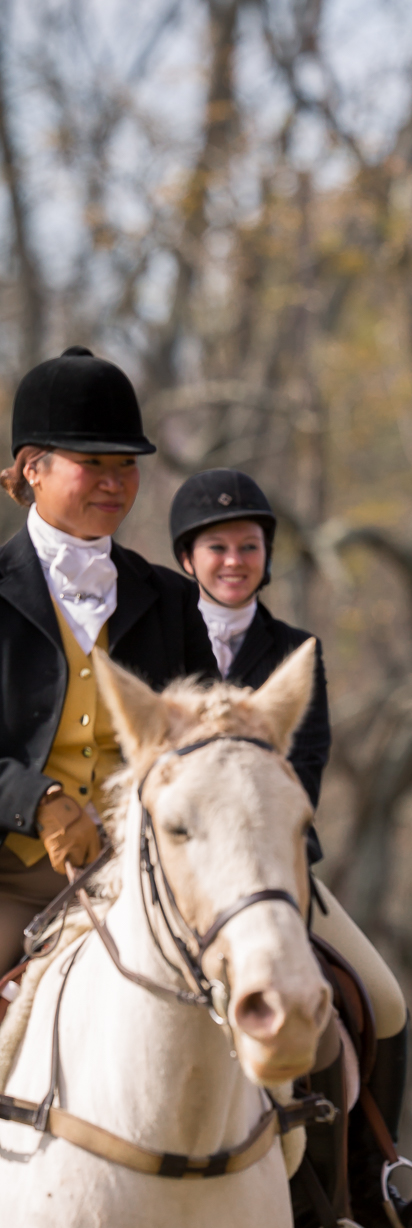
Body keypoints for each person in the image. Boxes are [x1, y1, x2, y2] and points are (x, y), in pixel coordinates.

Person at [168, 470, 412, 1228]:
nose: (233, 560)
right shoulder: (149, 638)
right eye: (216, 546)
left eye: (248, 546)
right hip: (176, 874)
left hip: (275, 871)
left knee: (385, 999)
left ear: (266, 558)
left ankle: (362, 1200)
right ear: (187, 558)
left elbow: (310, 759)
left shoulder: (298, 650)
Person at [0, 346, 213, 975]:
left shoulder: (170, 598)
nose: (115, 482)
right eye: (92, 464)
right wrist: (37, 800)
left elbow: (205, 737)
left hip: (154, 877)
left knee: (362, 991)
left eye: (126, 465)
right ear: (32, 468)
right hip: (15, 880)